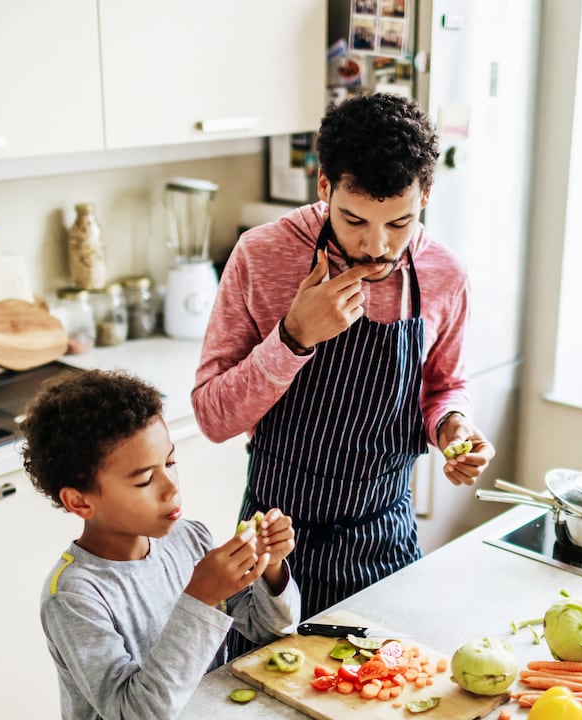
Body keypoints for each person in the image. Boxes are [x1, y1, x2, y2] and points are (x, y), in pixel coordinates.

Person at [192, 92, 495, 619]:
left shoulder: (446, 275)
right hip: (273, 546)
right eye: (354, 221)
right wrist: (293, 338)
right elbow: (213, 418)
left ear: (425, 194)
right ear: (324, 186)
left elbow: (445, 385)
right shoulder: (262, 256)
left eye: (399, 223)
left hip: (385, 538)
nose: (376, 246)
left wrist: (453, 426)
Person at [22, 369, 300, 720]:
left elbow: (270, 629)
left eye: (170, 462)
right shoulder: (75, 596)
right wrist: (200, 597)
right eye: (144, 480)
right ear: (80, 502)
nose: (171, 488)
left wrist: (270, 568)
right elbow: (134, 713)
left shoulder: (190, 539)